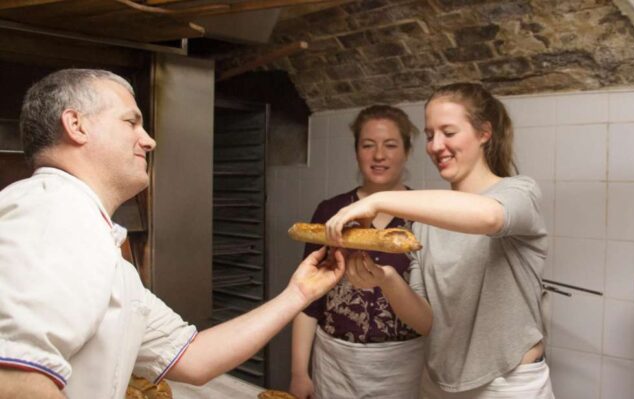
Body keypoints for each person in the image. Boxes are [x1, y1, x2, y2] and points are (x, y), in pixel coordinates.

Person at [0, 69, 345, 399]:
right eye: (130, 122)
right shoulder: (51, 211)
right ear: (77, 125)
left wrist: (298, 294)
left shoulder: (100, 246)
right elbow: (14, 382)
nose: (148, 140)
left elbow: (193, 358)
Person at [325, 83, 554, 398]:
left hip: (507, 385)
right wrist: (386, 279)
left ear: (484, 133)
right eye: (431, 135)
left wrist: (378, 201)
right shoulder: (425, 223)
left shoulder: (518, 192)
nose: (435, 146)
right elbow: (427, 321)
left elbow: (489, 218)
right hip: (438, 385)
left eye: (448, 132)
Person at [289, 105, 424, 399]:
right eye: (368, 145)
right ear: (356, 152)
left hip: (404, 364)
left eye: (390, 145)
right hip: (336, 362)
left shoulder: (425, 215)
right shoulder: (330, 212)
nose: (379, 155)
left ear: (407, 151)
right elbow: (308, 299)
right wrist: (299, 373)